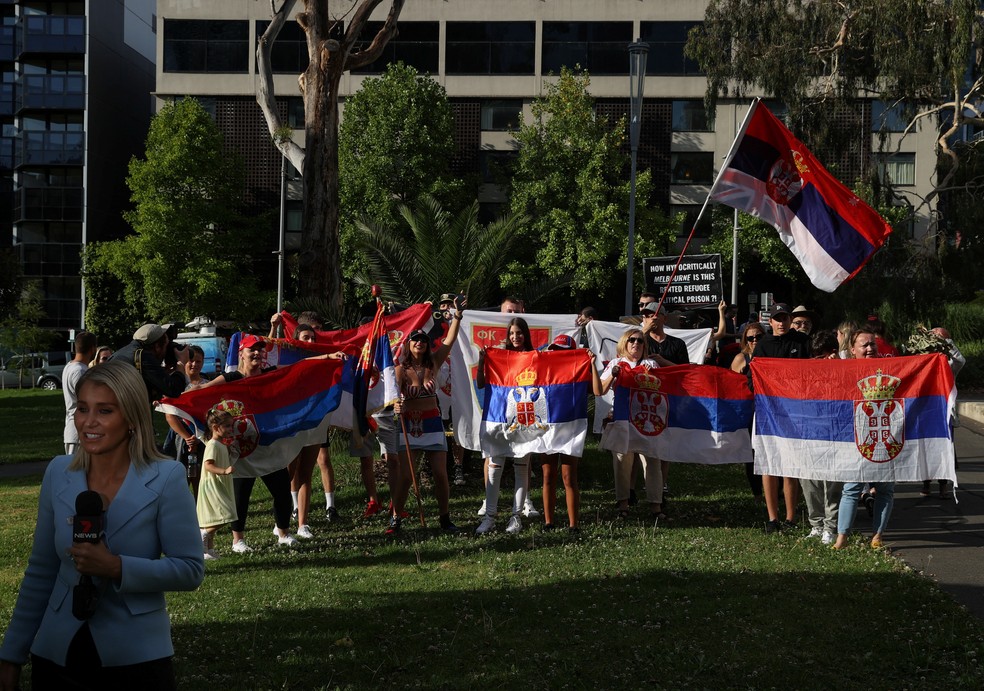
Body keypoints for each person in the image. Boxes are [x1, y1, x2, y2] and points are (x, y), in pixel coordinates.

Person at [0, 360, 204, 690]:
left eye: (105, 411)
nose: (88, 422)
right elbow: (41, 570)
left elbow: (190, 569)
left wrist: (117, 567)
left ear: (132, 419)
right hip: (57, 657)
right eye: (82, 409)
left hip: (137, 659)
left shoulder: (166, 478)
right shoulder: (58, 472)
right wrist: (11, 654)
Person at [389, 296, 466, 535]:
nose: (420, 343)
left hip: (433, 422)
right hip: (409, 425)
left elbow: (450, 340)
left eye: (423, 339)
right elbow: (391, 396)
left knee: (441, 475)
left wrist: (458, 316)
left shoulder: (434, 362)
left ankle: (445, 518)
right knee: (404, 477)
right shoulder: (401, 369)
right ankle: (395, 518)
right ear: (408, 344)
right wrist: (396, 405)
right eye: (415, 339)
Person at [594, 328, 665, 521]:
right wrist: (613, 375)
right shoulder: (617, 364)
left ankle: (656, 506)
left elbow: (667, 389)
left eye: (640, 341)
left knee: (652, 462)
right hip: (624, 419)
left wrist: (655, 376)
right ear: (624, 343)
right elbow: (600, 389)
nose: (636, 344)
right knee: (622, 463)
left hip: (648, 421)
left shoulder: (651, 363)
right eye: (631, 340)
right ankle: (623, 504)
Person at [476, 316, 538, 534]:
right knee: (494, 467)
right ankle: (490, 517)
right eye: (512, 333)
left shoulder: (534, 357)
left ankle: (516, 516)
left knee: (522, 469)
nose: (515, 337)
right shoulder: (499, 357)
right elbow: (481, 384)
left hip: (523, 420)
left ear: (525, 334)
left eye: (519, 333)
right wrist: (483, 361)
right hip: (500, 418)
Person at [834, 326, 894, 550]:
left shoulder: (890, 368)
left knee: (885, 489)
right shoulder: (844, 369)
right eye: (865, 345)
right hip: (855, 438)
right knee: (851, 487)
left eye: (873, 344)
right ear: (852, 349)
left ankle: (878, 535)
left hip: (884, 435)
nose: (870, 348)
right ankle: (842, 537)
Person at [753, 303, 810, 533]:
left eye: (784, 318)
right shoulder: (763, 345)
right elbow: (753, 377)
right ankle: (772, 518)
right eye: (777, 318)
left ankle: (790, 517)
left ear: (790, 320)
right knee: (769, 463)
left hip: (795, 410)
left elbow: (811, 374)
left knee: (791, 465)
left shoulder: (803, 342)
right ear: (771, 321)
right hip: (768, 411)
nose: (781, 322)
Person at [800, 330, 842, 545]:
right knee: (809, 480)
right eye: (815, 358)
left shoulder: (845, 368)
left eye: (822, 357)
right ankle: (816, 525)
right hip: (810, 431)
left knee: (832, 482)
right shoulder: (806, 370)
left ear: (833, 353)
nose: (818, 362)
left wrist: (838, 366)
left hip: (836, 432)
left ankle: (831, 527)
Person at [539, 335, 583, 532]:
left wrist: (589, 364)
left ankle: (574, 525)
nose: (558, 353)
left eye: (563, 350)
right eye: (555, 350)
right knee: (548, 475)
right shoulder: (543, 372)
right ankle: (549, 522)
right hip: (547, 429)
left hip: (570, 429)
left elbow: (597, 390)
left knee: (569, 477)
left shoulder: (579, 372)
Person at [731, 322, 766, 500]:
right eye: (750, 338)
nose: (754, 341)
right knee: (752, 452)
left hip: (769, 410)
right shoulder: (741, 358)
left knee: (769, 449)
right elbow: (732, 386)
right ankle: (757, 491)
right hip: (749, 411)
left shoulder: (769, 356)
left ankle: (776, 490)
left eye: (758, 337)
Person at [110, 323, 189, 401]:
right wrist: (181, 362)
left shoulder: (119, 354)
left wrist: (163, 373)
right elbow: (174, 390)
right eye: (166, 346)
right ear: (157, 346)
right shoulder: (143, 356)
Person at [197, 407, 237, 560]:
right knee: (227, 514)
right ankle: (203, 535)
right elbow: (208, 465)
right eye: (227, 426)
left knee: (214, 517)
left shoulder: (221, 444)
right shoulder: (212, 445)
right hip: (213, 485)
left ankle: (209, 550)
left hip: (220, 483)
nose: (230, 429)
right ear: (215, 427)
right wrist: (224, 471)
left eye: (230, 425)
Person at [63, 331, 98, 455]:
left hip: (75, 428)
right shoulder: (80, 371)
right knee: (77, 472)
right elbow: (87, 400)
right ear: (93, 348)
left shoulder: (69, 366)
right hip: (78, 431)